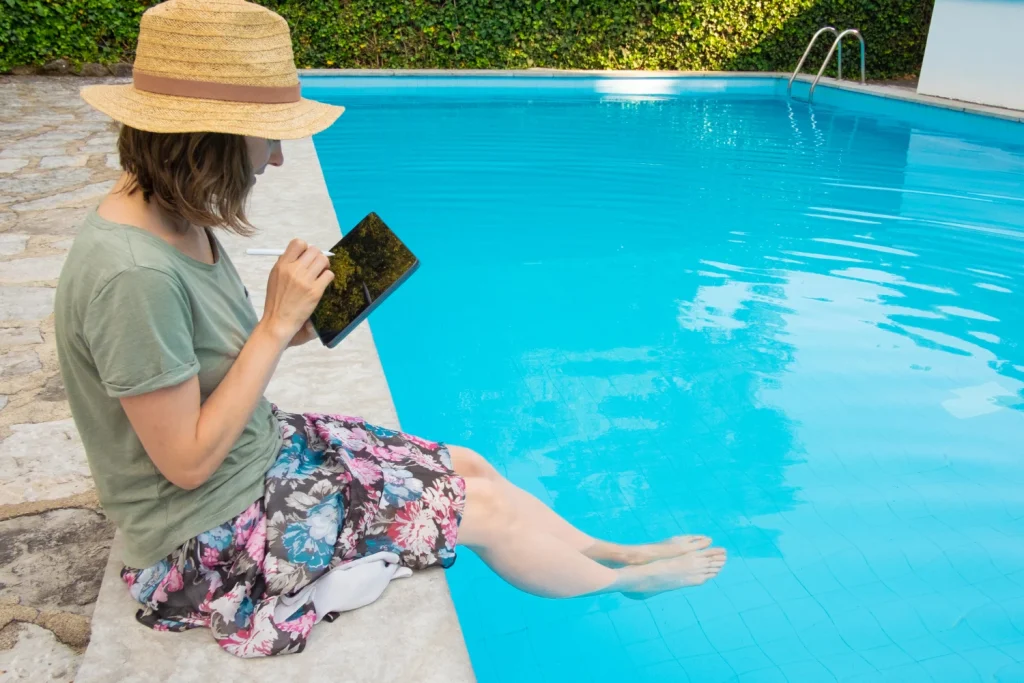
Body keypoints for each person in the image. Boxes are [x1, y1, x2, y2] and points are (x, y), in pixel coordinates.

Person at [54, 0, 726, 658]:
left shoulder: (179, 216)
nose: (279, 160)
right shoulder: (131, 275)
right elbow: (186, 462)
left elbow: (210, 364)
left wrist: (307, 315)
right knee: (479, 509)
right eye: (269, 137)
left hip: (253, 461)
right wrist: (272, 328)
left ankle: (610, 549)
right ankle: (623, 582)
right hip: (206, 536)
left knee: (466, 462)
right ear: (211, 140)